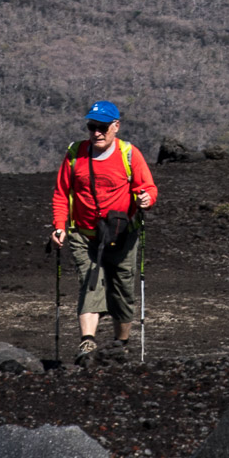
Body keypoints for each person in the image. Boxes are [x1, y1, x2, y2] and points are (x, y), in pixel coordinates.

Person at [50, 101, 158, 364]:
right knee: (90, 282)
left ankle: (121, 343)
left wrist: (146, 199)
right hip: (84, 235)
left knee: (122, 290)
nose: (96, 132)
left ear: (116, 126)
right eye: (92, 126)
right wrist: (59, 227)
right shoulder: (76, 154)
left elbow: (148, 188)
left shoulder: (129, 154)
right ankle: (87, 343)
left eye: (102, 127)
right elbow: (61, 193)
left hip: (122, 235)